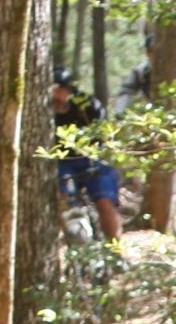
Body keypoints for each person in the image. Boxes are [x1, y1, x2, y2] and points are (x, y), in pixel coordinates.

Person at [50, 69, 124, 243]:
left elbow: (103, 132)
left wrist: (94, 155)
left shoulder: (87, 105)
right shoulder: (44, 109)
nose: (58, 93)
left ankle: (115, 250)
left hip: (93, 157)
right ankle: (76, 248)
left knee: (105, 202)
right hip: (63, 161)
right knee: (65, 203)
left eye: (61, 88)